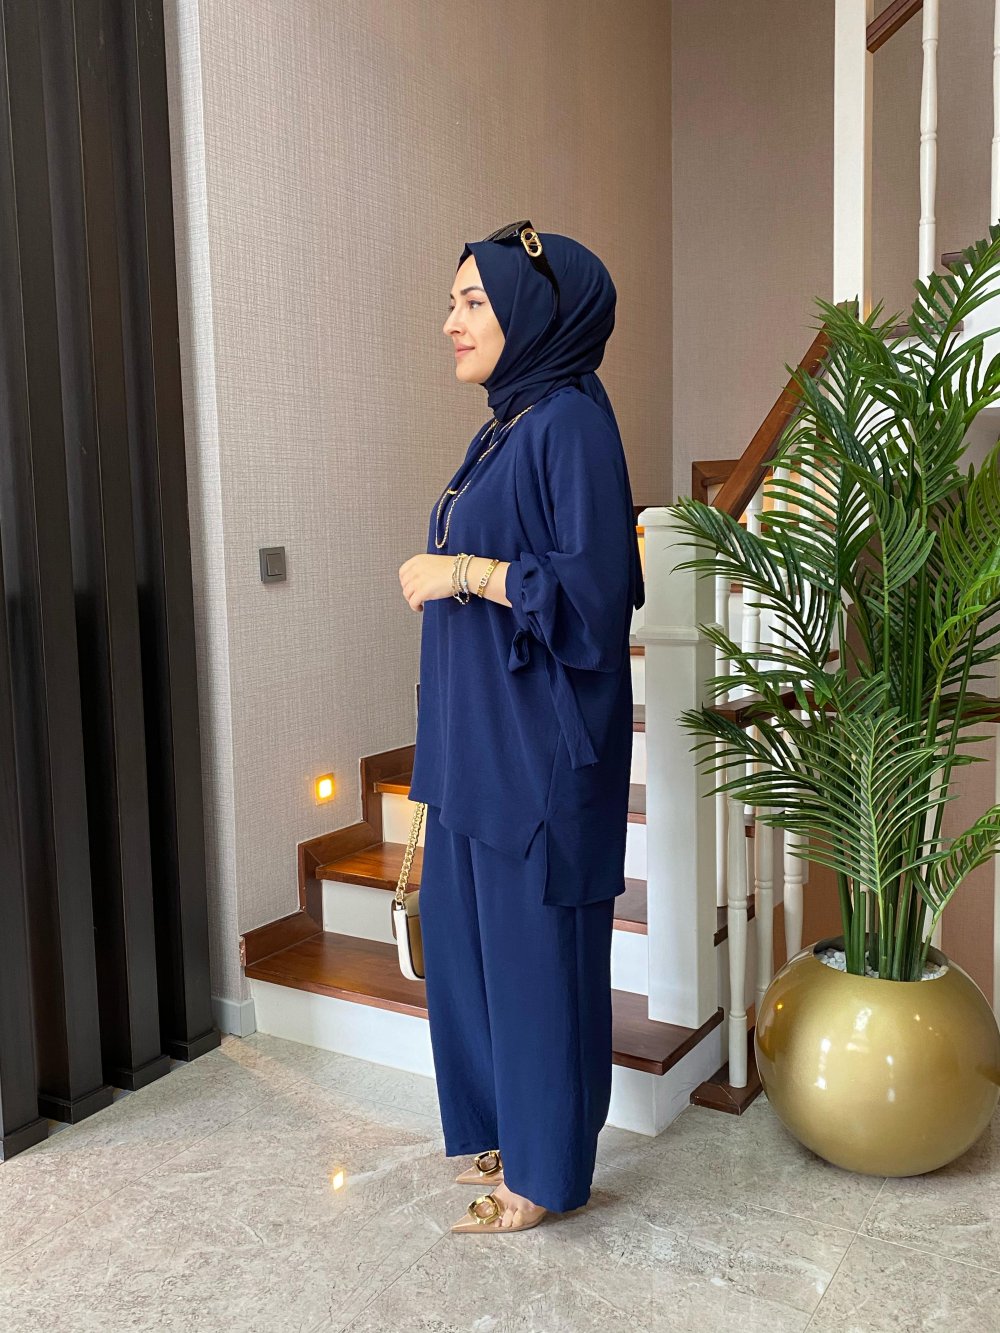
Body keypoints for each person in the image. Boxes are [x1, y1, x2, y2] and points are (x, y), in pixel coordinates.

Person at [398, 222, 644, 1234]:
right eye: (453, 301)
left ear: (532, 311)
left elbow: (596, 597)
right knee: (471, 951)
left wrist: (462, 571)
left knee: (538, 963)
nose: (450, 322)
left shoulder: (569, 423)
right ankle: (510, 1133)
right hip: (475, 744)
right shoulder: (506, 424)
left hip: (538, 750)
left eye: (473, 302)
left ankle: (543, 1175)